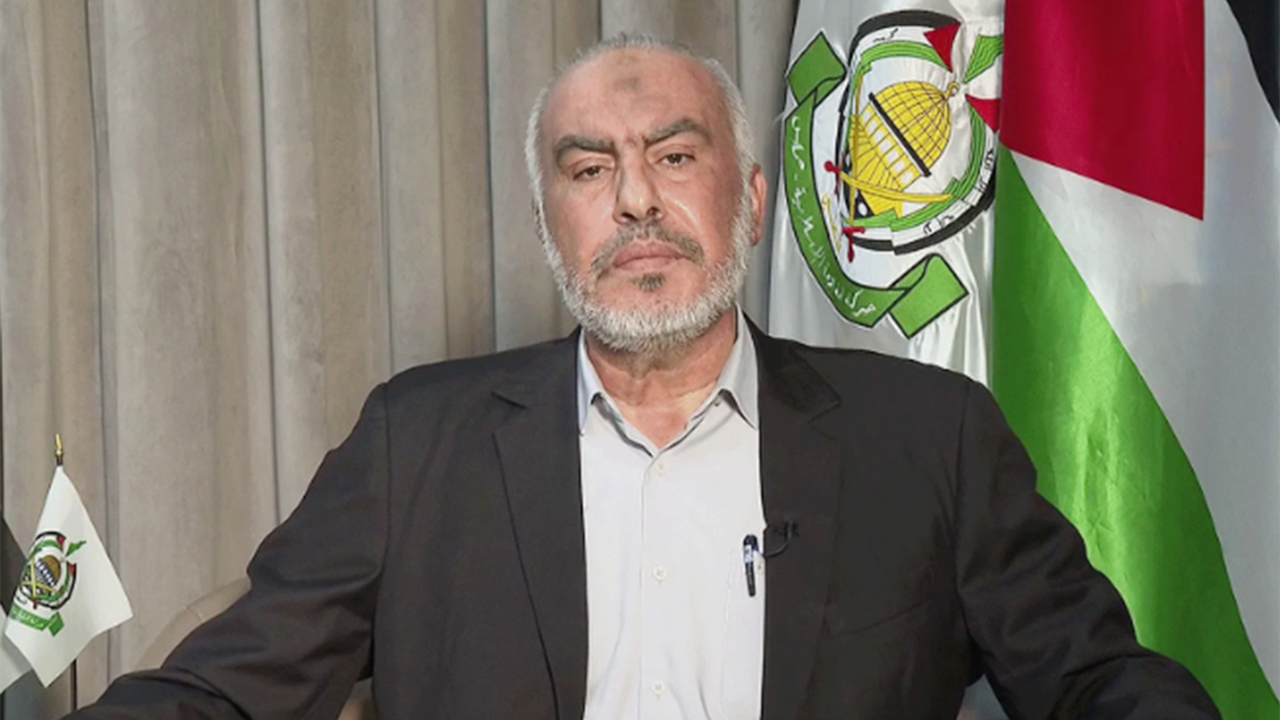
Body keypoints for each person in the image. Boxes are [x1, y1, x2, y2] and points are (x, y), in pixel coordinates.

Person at [68, 34, 1219, 720]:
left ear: (751, 199)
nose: (633, 202)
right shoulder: (413, 441)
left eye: (674, 156)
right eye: (587, 170)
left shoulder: (926, 437)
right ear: (547, 227)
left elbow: (1093, 681)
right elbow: (222, 691)